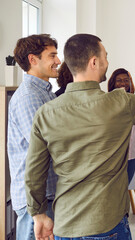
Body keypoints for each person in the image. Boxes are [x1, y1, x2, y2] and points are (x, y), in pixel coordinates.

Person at [24, 33, 135, 239]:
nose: (107, 62)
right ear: (94, 62)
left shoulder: (46, 112)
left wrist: (38, 215)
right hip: (107, 224)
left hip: (65, 224)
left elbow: (34, 173)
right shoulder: (121, 102)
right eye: (105, 56)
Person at [7, 34, 60, 240]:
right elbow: (46, 146)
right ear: (33, 59)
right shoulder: (29, 96)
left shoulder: (45, 92)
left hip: (47, 196)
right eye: (52, 56)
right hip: (38, 201)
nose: (58, 61)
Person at [107, 68, 135, 184]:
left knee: (126, 185)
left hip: (132, 153)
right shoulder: (107, 101)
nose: (123, 83)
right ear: (113, 82)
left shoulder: (134, 100)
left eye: (126, 80)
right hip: (115, 154)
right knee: (116, 188)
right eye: (119, 80)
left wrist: (132, 96)